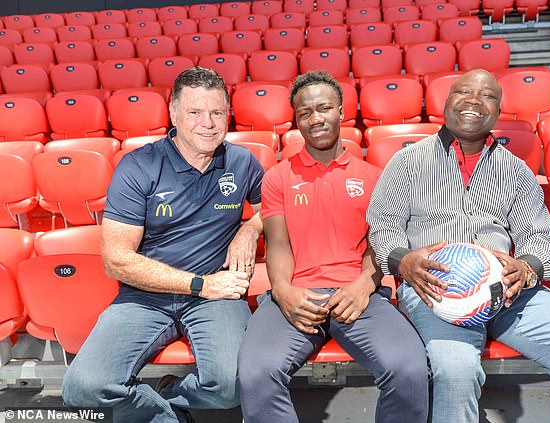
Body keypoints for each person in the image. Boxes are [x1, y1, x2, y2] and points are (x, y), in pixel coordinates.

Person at [366, 69, 550, 423]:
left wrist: (528, 267)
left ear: (498, 111)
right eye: (463, 92)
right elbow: (383, 226)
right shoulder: (405, 162)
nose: (473, 100)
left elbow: (538, 234)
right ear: (445, 101)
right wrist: (402, 261)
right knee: (456, 373)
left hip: (507, 289)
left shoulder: (516, 170)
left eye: (487, 95)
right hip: (435, 290)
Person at [62, 67, 265, 423]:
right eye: (195, 112)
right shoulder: (139, 166)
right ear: (173, 113)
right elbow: (116, 261)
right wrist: (199, 284)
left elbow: (272, 210)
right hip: (147, 294)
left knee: (232, 385)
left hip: (216, 297)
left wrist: (250, 228)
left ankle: (169, 394)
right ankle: (165, 411)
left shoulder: (241, 162)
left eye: (217, 112)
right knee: (83, 387)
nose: (208, 123)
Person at [237, 70, 429, 423]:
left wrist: (362, 285)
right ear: (296, 120)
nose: (315, 118)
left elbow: (380, 243)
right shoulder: (278, 177)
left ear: (341, 112)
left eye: (323, 108)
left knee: (410, 371)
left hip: (359, 295)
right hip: (298, 294)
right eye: (305, 112)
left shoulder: (374, 177)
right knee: (255, 375)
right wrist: (282, 291)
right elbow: (278, 243)